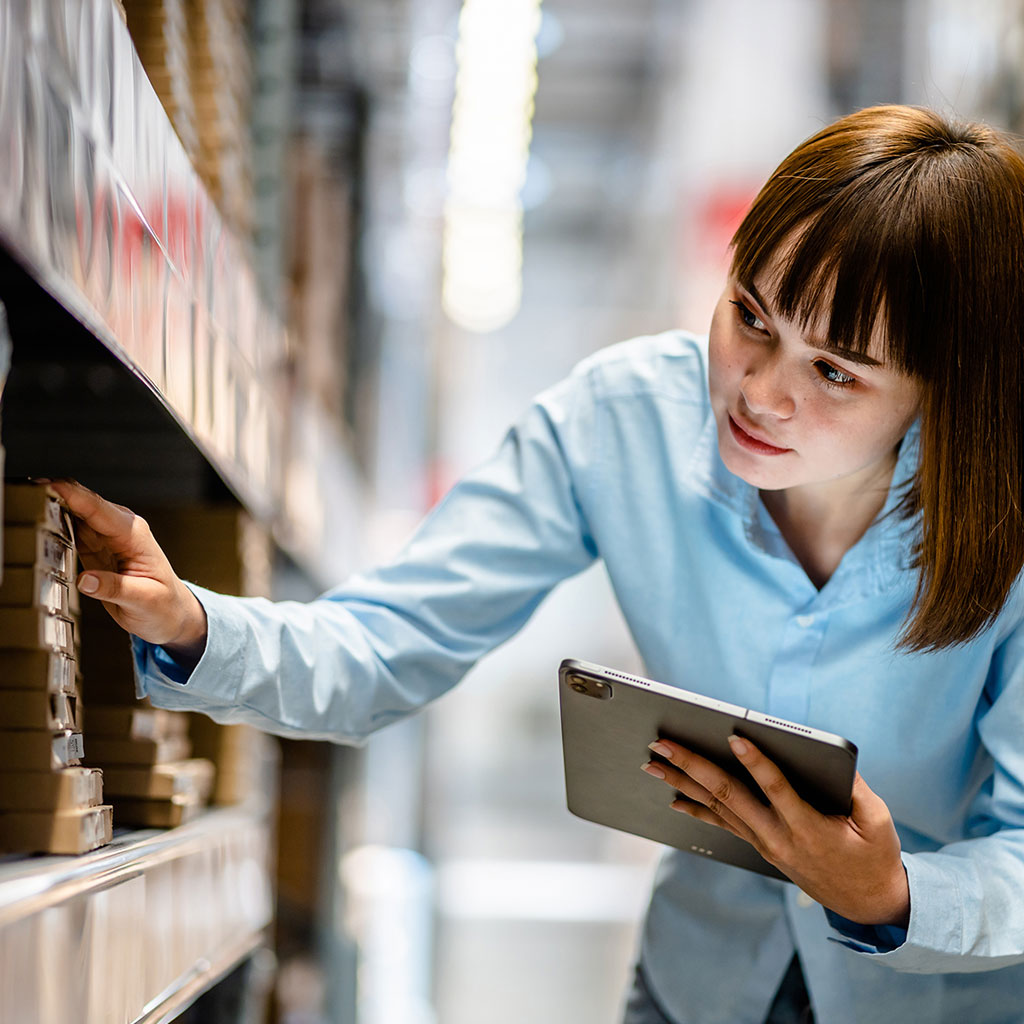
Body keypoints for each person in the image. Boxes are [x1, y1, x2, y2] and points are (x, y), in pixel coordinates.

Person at [52, 104, 1024, 1024]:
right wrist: (193, 623)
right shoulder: (622, 420)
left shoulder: (1006, 532)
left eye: (834, 370)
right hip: (700, 983)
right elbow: (389, 643)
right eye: (751, 315)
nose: (759, 390)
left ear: (942, 391)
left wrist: (894, 893)